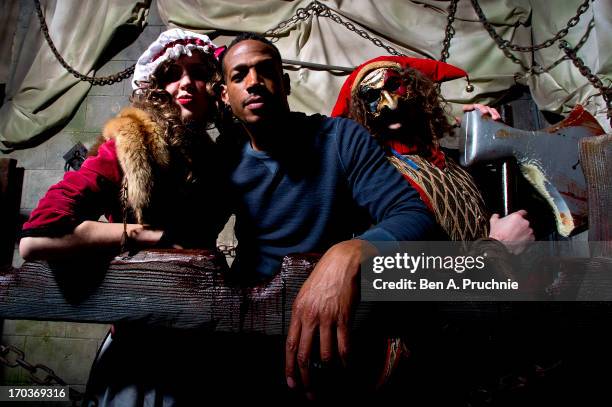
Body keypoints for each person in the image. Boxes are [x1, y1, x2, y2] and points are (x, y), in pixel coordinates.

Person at [217, 33, 436, 400]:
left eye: (265, 71)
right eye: (239, 75)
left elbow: (414, 217)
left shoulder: (340, 138)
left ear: (284, 84)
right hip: (251, 326)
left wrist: (349, 253)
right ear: (225, 95)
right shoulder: (224, 156)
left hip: (334, 327)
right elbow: (188, 234)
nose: (254, 82)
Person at [19, 28, 229, 406]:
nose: (186, 83)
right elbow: (34, 240)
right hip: (140, 343)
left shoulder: (212, 155)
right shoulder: (130, 147)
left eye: (198, 72)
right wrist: (149, 236)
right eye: (171, 74)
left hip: (199, 333)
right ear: (154, 86)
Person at [331, 55, 534, 247]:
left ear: (416, 90)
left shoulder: (442, 156)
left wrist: (490, 136)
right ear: (360, 112)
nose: (391, 104)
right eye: (372, 95)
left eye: (393, 86)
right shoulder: (376, 178)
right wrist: (498, 244)